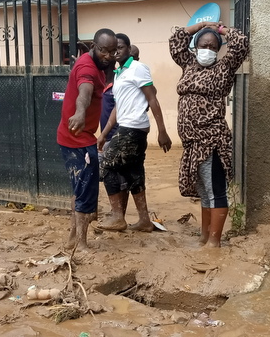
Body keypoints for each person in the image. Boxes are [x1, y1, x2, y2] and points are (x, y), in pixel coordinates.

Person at [169, 21, 249, 247]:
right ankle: (204, 236)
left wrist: (220, 30)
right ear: (196, 47)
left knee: (215, 191)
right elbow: (176, 42)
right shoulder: (189, 65)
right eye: (205, 45)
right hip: (192, 143)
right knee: (204, 192)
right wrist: (201, 25)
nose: (209, 50)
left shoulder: (223, 69)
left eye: (214, 47)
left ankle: (215, 242)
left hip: (211, 140)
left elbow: (241, 43)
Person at [97, 33, 172, 231]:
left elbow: (152, 98)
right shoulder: (120, 72)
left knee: (106, 165)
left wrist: (162, 131)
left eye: (120, 48)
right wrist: (104, 134)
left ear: (129, 49)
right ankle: (145, 221)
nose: (116, 52)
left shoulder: (138, 68)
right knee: (134, 173)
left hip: (133, 128)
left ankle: (117, 216)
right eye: (114, 49)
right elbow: (117, 108)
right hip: (126, 127)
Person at [57, 29, 118, 250]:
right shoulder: (87, 68)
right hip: (78, 139)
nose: (109, 56)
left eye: (113, 51)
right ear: (94, 46)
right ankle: (81, 244)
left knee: (79, 190)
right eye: (104, 51)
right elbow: (85, 90)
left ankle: (73, 239)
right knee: (84, 191)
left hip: (79, 137)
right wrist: (80, 112)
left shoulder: (99, 63)